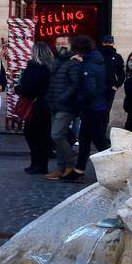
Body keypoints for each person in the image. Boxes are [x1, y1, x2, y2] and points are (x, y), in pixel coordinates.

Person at [69, 34, 110, 180]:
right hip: (95, 107)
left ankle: (116, 168)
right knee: (85, 139)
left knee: (100, 141)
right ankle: (79, 169)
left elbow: (89, 89)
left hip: (92, 108)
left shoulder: (87, 66)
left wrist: (78, 101)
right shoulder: (96, 61)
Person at [15, 41, 56, 174]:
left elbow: (27, 88)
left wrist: (18, 88)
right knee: (43, 135)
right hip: (47, 104)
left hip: (35, 105)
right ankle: (41, 164)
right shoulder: (51, 66)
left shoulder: (34, 66)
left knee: (32, 134)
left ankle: (36, 163)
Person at [45, 34, 81, 178]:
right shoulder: (56, 60)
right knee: (60, 135)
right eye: (58, 43)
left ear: (70, 44)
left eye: (63, 43)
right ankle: (60, 168)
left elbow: (75, 84)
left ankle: (71, 164)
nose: (60, 46)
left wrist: (63, 97)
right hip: (55, 104)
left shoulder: (73, 62)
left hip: (66, 105)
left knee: (57, 134)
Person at [99, 35, 126, 111]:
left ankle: (105, 123)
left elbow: (121, 73)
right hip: (98, 87)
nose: (107, 44)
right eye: (105, 42)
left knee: (107, 109)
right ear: (102, 43)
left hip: (110, 88)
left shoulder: (117, 57)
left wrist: (117, 85)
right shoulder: (97, 55)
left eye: (109, 42)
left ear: (113, 43)